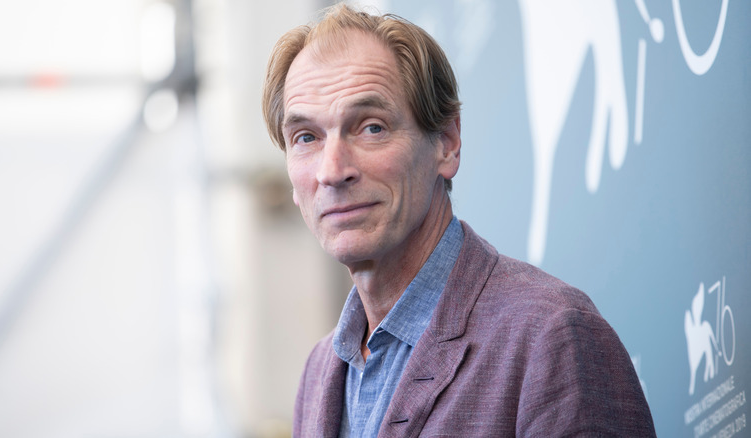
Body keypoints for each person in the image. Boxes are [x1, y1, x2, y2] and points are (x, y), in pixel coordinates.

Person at [262, 4, 656, 437]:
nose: (332, 171)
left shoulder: (552, 335)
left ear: (447, 144)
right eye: (305, 138)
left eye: (371, 127)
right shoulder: (319, 374)